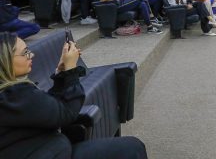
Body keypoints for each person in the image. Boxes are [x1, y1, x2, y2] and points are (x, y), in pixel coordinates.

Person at [0, 32, 148, 159]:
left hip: (51, 151)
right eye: (25, 52)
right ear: (4, 62)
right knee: (133, 148)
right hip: (52, 153)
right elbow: (66, 113)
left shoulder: (11, 96)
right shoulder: (13, 96)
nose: (31, 55)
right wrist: (70, 70)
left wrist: (61, 73)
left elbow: (45, 108)